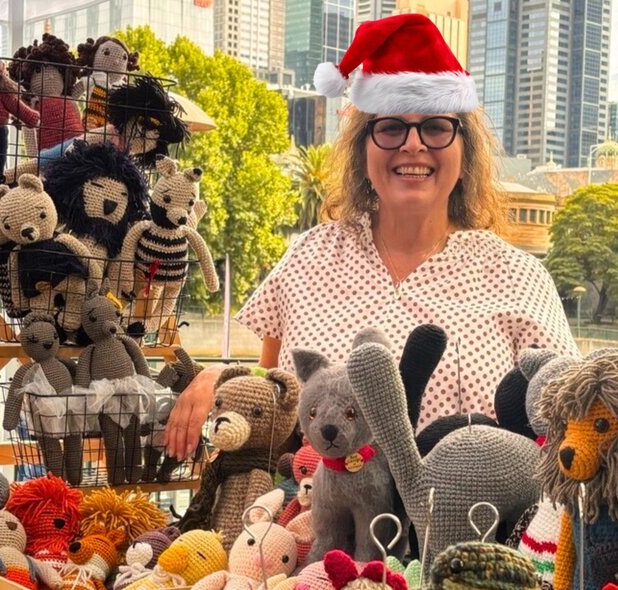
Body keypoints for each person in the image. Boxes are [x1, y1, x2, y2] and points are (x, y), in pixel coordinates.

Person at [164, 13, 579, 460]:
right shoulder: (308, 256)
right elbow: (273, 405)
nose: (413, 145)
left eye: (437, 127)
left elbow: (572, 419)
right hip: (318, 518)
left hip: (470, 524)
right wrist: (220, 378)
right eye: (391, 126)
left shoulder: (519, 275)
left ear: (465, 150)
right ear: (365, 147)